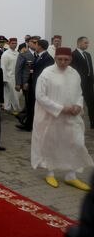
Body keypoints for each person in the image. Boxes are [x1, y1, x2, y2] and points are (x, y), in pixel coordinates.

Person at [31, 47, 94, 191]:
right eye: (60, 59)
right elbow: (40, 96)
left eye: (66, 59)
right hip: (50, 116)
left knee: (75, 143)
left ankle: (71, 176)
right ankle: (50, 172)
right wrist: (61, 108)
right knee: (51, 143)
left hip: (71, 117)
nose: (63, 62)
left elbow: (79, 93)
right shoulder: (46, 73)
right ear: (55, 58)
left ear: (71, 60)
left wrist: (78, 105)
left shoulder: (74, 73)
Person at [15, 36, 39, 130]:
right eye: (33, 42)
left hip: (37, 83)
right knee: (29, 103)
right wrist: (18, 83)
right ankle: (27, 122)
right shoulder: (24, 54)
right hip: (26, 83)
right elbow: (18, 69)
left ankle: (22, 116)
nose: (36, 44)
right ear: (28, 43)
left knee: (32, 103)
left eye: (37, 42)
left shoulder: (39, 54)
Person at [70, 37, 94, 129]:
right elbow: (72, 70)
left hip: (88, 84)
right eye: (85, 43)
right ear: (79, 43)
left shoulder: (88, 55)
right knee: (77, 103)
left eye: (88, 43)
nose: (87, 45)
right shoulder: (73, 54)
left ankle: (93, 123)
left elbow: (90, 68)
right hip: (78, 84)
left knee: (91, 103)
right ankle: (74, 123)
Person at [1, 37, 22, 115]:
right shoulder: (5, 54)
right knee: (11, 93)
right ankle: (15, 108)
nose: (14, 45)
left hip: (16, 76)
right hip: (9, 77)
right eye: (12, 43)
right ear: (9, 44)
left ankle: (8, 107)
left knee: (16, 93)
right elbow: (3, 67)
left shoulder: (17, 53)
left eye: (15, 43)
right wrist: (4, 79)